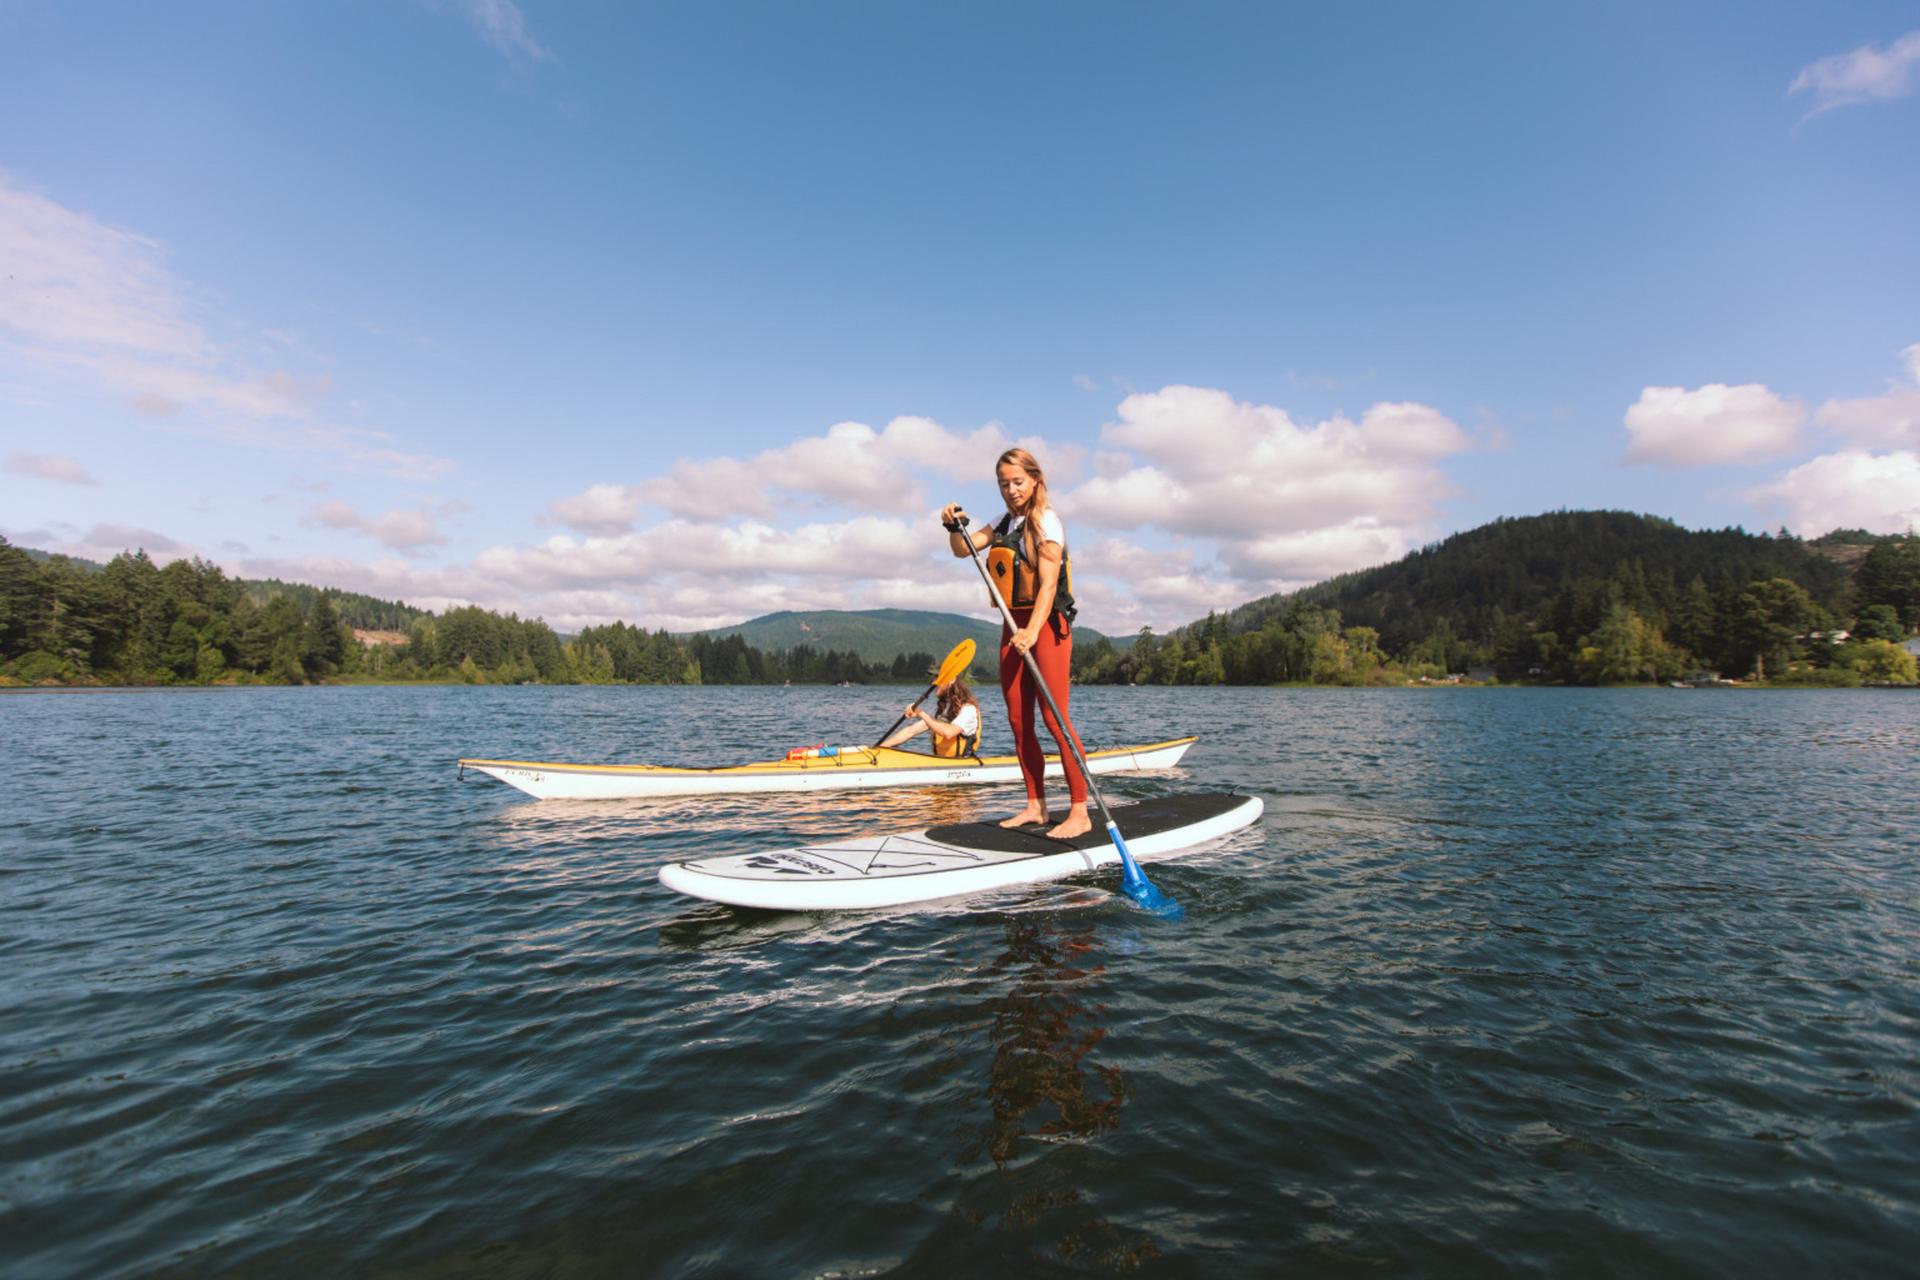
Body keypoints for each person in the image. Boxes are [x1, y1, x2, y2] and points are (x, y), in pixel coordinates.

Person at [940, 447, 1091, 839]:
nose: (1011, 490)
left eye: (1018, 482)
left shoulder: (1047, 522)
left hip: (1047, 625)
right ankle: (1035, 806)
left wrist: (1033, 630)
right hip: (1013, 624)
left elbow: (1047, 586)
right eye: (1003, 484)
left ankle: (1079, 811)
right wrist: (953, 527)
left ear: (1036, 479)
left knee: (1054, 718)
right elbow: (963, 550)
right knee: (1018, 720)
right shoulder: (1005, 520)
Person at [878, 677, 982, 756]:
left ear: (951, 680)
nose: (934, 682)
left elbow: (948, 733)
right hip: (941, 761)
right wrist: (881, 747)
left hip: (961, 763)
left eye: (938, 679)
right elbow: (911, 731)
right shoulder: (943, 709)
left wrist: (920, 712)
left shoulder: (968, 709)